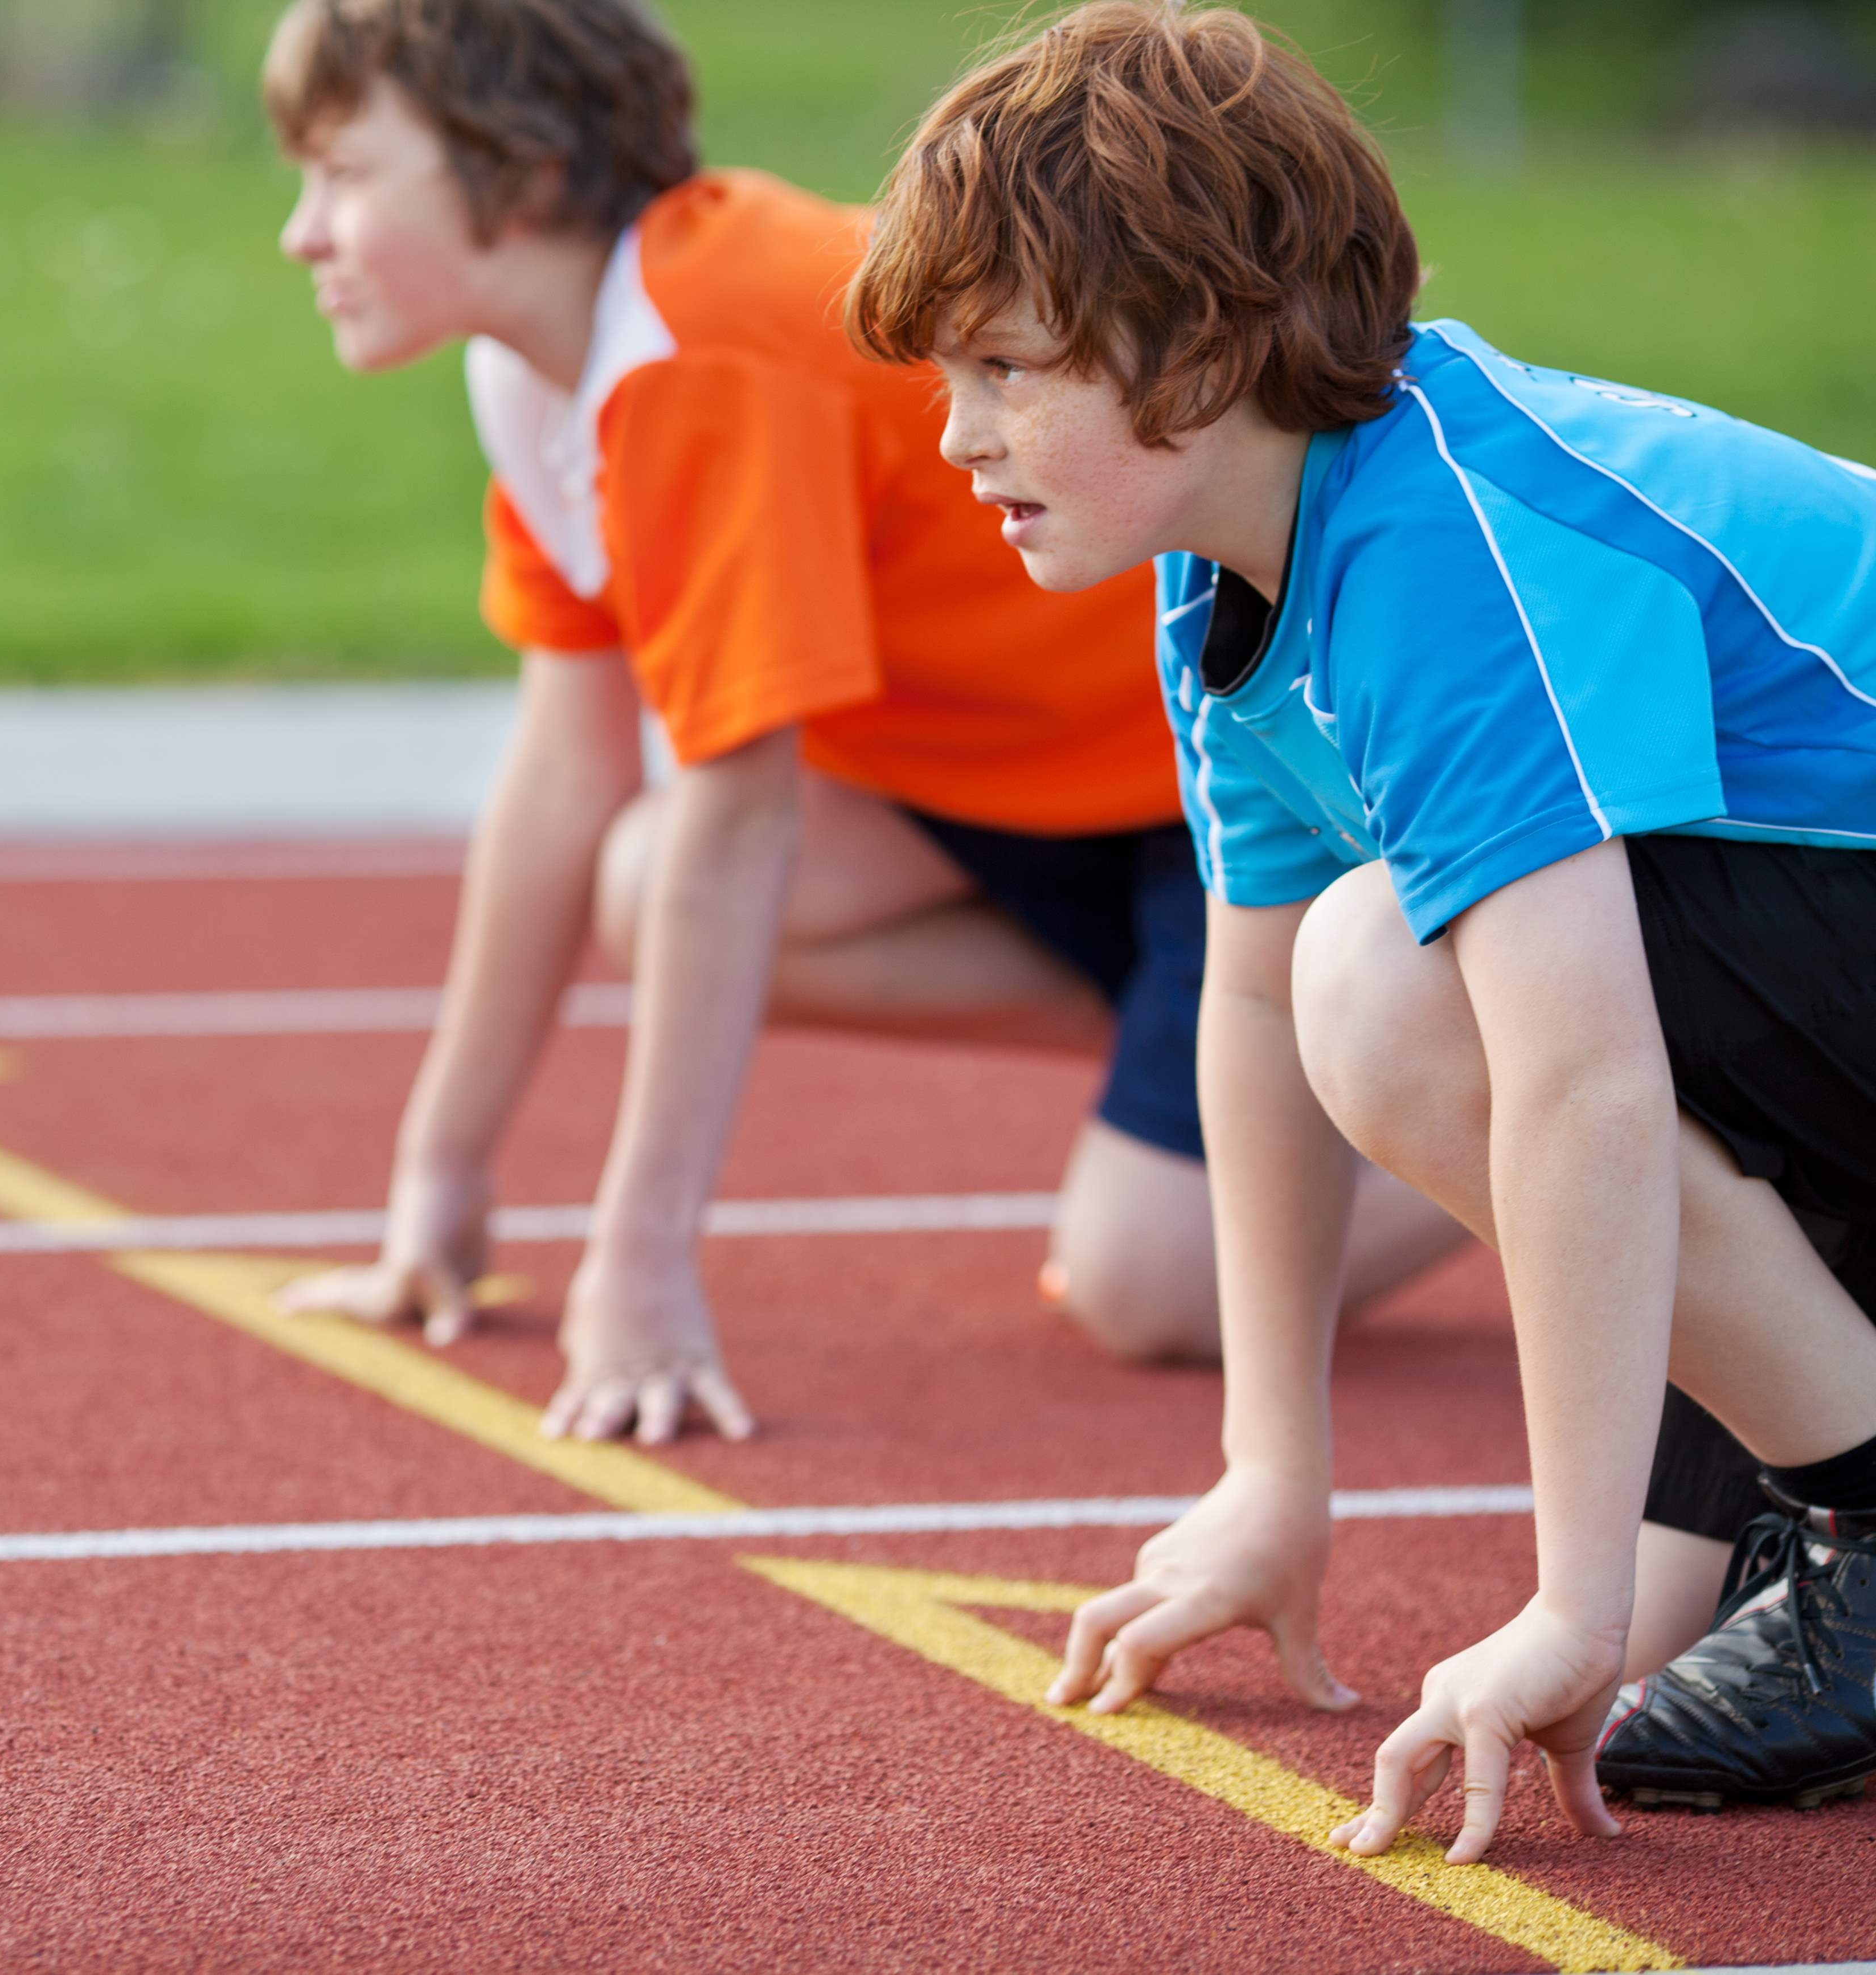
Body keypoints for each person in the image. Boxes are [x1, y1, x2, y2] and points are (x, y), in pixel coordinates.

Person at [844, 0, 1876, 1860]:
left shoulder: (1441, 544)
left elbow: (1581, 1084)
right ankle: (1837, 1490)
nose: (959, 435)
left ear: (1198, 342)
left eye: (1003, 368)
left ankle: (1864, 1498)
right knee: (1653, 1652)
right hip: (1818, 953)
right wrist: (1271, 1474)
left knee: (1394, 977)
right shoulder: (1219, 565)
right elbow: (1241, 1012)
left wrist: (1561, 1600)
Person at [257, 0, 1460, 1445]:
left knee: (1147, 1291)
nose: (301, 232)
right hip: (999, 789)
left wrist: (636, 1263)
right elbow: (561, 778)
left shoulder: (701, 345)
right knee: (635, 880)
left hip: (1208, 785)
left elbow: (738, 811)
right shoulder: (532, 369)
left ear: (516, 175)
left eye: (340, 172)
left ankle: (1535, 1136)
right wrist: (438, 1175)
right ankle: (1187, 1020)